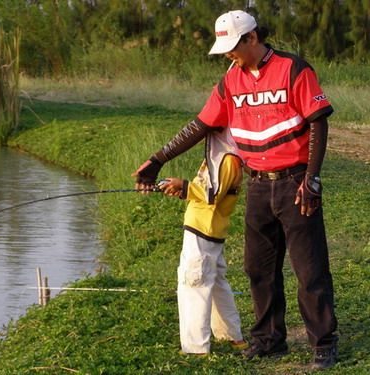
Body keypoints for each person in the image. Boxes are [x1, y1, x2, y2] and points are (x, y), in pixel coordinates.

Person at [132, 10, 338, 370]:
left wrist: (313, 179)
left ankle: (323, 345)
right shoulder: (230, 82)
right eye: (224, 49)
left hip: (295, 182)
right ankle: (270, 340)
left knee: (310, 270)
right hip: (258, 185)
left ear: (252, 38)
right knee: (258, 269)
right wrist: (157, 160)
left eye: (233, 47)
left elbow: (317, 122)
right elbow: (200, 125)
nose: (229, 55)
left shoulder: (293, 69)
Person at [158, 127, 248, 355]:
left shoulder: (227, 159)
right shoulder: (224, 156)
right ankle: (232, 336)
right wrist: (183, 190)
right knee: (216, 282)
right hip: (207, 228)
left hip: (203, 229)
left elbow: (213, 194)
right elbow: (207, 190)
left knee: (193, 284)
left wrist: (184, 185)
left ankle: (195, 348)